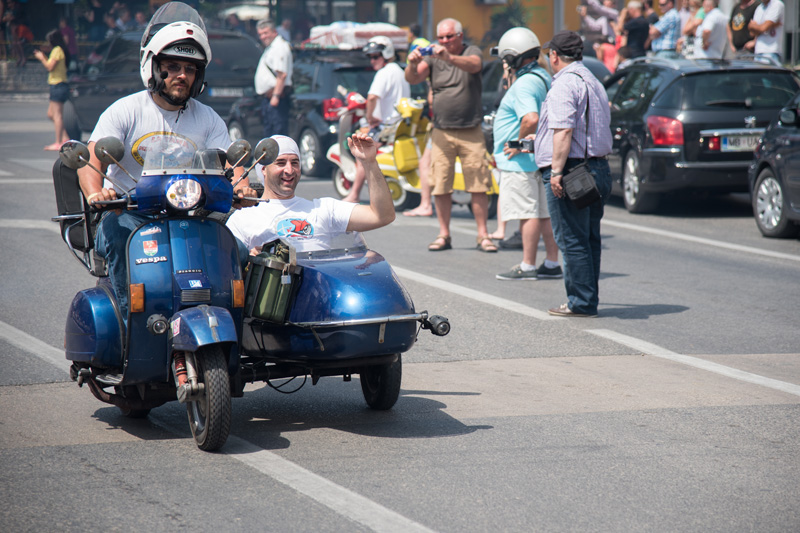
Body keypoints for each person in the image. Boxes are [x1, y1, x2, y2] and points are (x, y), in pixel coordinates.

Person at [77, 2, 252, 319]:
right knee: (116, 234)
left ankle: (237, 330)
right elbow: (91, 160)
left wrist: (241, 185)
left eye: (190, 69)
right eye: (173, 66)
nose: (182, 75)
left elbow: (231, 162)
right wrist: (95, 193)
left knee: (237, 251)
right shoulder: (126, 110)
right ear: (154, 67)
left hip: (192, 215)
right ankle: (133, 323)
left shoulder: (209, 119)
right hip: (131, 215)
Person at [533, 31, 612, 317]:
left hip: (573, 170)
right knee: (589, 238)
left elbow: (564, 130)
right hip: (598, 166)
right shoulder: (593, 80)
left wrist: (555, 172)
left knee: (572, 240)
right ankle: (587, 299)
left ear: (554, 55)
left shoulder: (564, 84)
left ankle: (581, 302)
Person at [405, 18, 496, 253]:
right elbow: (412, 78)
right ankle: (444, 234)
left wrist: (449, 57)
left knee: (477, 185)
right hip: (442, 131)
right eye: (441, 37)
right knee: (441, 185)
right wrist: (413, 63)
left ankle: (483, 235)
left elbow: (475, 65)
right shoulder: (433, 57)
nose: (444, 41)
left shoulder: (470, 51)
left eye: (449, 36)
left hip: (471, 130)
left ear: (460, 35)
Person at [227, 133, 396, 254]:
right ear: (263, 169)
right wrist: (248, 260)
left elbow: (382, 216)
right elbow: (227, 268)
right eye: (280, 163)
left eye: (295, 162)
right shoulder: (243, 218)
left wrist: (369, 162)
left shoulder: (323, 208)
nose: (289, 170)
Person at [490, 28, 561, 282]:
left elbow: (530, 118)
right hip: (540, 156)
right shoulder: (543, 76)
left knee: (527, 213)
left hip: (520, 161)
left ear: (513, 57)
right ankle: (552, 263)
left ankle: (528, 265)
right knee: (543, 213)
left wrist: (518, 142)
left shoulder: (524, 84)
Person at [342, 36, 410, 203]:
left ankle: (354, 194)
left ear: (386, 54)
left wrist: (370, 117)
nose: (372, 61)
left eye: (375, 56)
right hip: (400, 125)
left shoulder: (384, 72)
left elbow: (372, 97)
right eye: (370, 57)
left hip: (386, 126)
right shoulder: (400, 71)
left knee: (362, 153)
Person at [254, 19, 293, 138]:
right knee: (270, 136)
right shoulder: (271, 47)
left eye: (266, 33)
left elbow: (282, 75)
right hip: (270, 99)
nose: (263, 37)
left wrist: (275, 98)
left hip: (276, 99)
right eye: (260, 34)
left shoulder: (279, 47)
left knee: (277, 136)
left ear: (274, 32)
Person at [33, 29, 70, 151]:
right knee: (51, 114)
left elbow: (50, 67)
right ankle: (65, 138)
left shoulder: (57, 50)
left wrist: (41, 57)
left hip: (58, 85)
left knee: (57, 115)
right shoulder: (58, 50)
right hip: (57, 85)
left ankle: (58, 142)